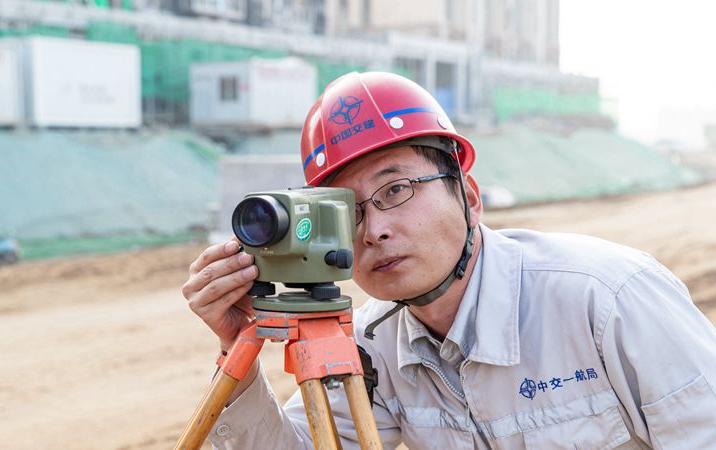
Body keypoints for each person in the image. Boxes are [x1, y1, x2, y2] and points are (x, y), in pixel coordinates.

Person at [182, 72, 716, 449]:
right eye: (347, 212)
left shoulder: (607, 298)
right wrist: (238, 347)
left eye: (396, 190)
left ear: (470, 195)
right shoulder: (365, 349)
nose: (376, 230)